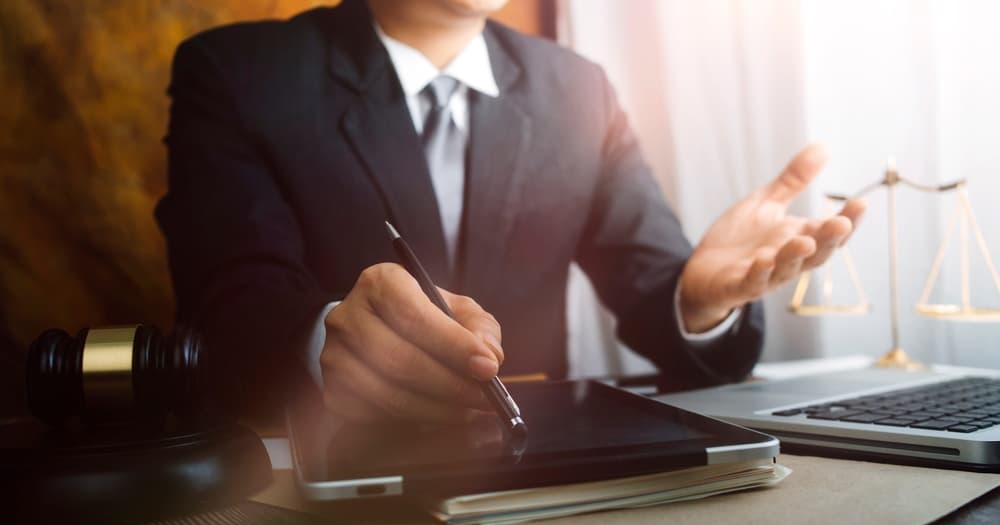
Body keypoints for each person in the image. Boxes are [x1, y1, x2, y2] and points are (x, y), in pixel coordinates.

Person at [156, 0, 864, 422]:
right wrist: (330, 343)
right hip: (317, 482)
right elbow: (234, 301)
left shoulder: (578, 88)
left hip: (544, 471)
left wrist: (703, 301)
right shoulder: (236, 72)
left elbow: (656, 293)